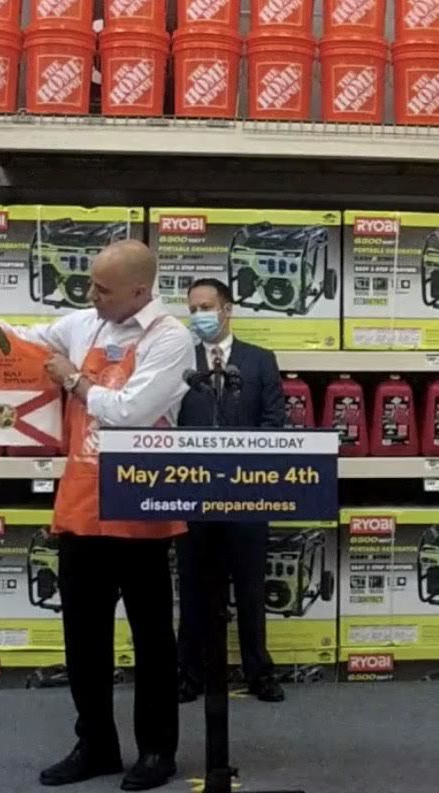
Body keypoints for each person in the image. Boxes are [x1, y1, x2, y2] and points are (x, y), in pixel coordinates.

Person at [10, 240, 194, 791]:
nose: (91, 294)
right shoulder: (84, 323)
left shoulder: (171, 338)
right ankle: (96, 744)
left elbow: (130, 412)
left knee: (153, 640)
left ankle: (157, 750)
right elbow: (20, 339)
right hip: (81, 506)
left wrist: (73, 378)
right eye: (91, 283)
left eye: (103, 288)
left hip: (141, 510)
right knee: (83, 640)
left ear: (140, 291)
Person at [176, 277, 286, 704]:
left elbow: (274, 422)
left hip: (247, 495)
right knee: (193, 589)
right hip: (193, 495)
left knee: (251, 589)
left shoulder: (259, 360)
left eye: (205, 307)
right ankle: (189, 674)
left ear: (227, 309)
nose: (198, 315)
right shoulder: (181, 361)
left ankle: (259, 673)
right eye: (192, 309)